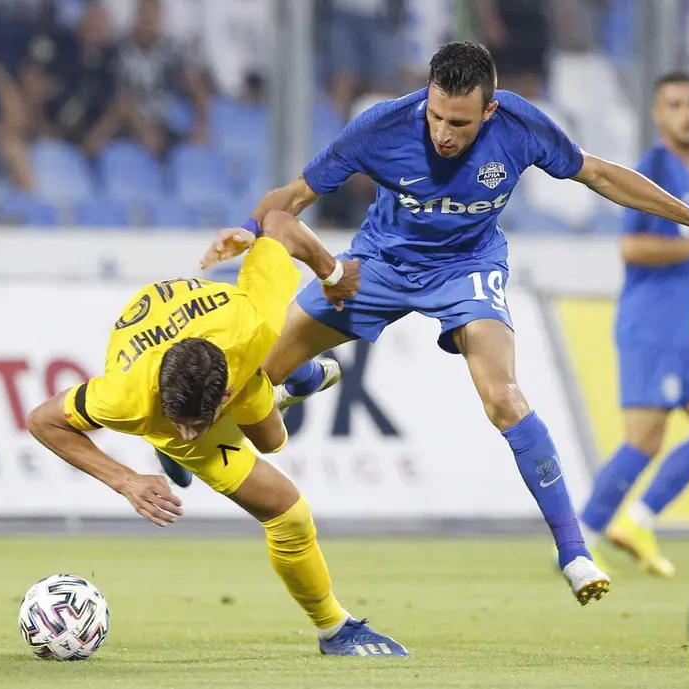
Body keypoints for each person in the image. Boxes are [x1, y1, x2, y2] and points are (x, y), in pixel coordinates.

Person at [206, 42, 689, 606]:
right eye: (436, 116)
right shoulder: (381, 127)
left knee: (504, 397)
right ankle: (304, 378)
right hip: (379, 262)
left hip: (467, 268)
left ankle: (574, 552)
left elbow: (597, 174)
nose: (443, 134)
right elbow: (296, 194)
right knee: (256, 376)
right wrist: (247, 229)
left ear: (490, 110)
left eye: (460, 123)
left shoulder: (520, 125)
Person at [26, 210, 408, 657]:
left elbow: (280, 223)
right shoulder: (125, 397)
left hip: (235, 351)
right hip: (172, 360)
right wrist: (125, 480)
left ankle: (282, 383)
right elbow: (42, 420)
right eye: (179, 423)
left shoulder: (255, 320)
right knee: (289, 514)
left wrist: (332, 273)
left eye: (195, 425)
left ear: (224, 396)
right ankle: (336, 630)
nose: (188, 435)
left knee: (272, 440)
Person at [579, 72, 689, 578]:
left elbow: (683, 245)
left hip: (679, 332)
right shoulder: (654, 170)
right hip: (649, 327)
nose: (685, 113)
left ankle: (637, 522)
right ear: (657, 114)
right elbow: (631, 248)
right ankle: (580, 540)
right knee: (644, 440)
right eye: (674, 104)